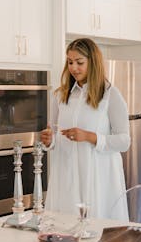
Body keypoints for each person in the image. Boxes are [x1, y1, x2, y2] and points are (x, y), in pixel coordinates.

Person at [40, 38, 130, 221]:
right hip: (66, 173)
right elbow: (55, 134)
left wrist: (89, 136)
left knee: (96, 229)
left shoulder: (110, 95)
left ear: (93, 62)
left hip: (97, 175)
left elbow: (124, 142)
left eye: (79, 62)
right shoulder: (60, 95)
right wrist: (49, 141)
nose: (74, 68)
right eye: (70, 62)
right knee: (64, 227)